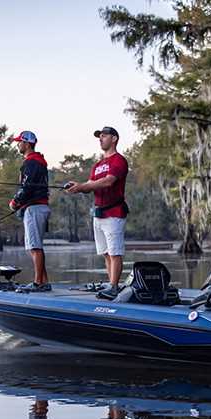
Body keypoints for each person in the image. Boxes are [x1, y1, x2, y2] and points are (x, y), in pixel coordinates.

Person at [66, 126, 129, 299]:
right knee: (106, 253)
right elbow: (89, 185)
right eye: (99, 137)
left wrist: (84, 186)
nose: (100, 139)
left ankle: (115, 287)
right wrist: (77, 187)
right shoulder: (97, 165)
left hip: (114, 213)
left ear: (114, 138)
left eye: (104, 136)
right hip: (99, 214)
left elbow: (108, 182)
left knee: (115, 252)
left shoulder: (119, 160)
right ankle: (111, 284)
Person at [9, 130, 51, 292]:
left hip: (35, 208)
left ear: (27, 143)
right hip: (37, 207)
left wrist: (15, 202)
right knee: (36, 246)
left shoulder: (31, 162)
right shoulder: (37, 162)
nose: (18, 144)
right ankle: (44, 282)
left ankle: (38, 283)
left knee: (35, 247)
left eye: (20, 142)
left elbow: (27, 187)